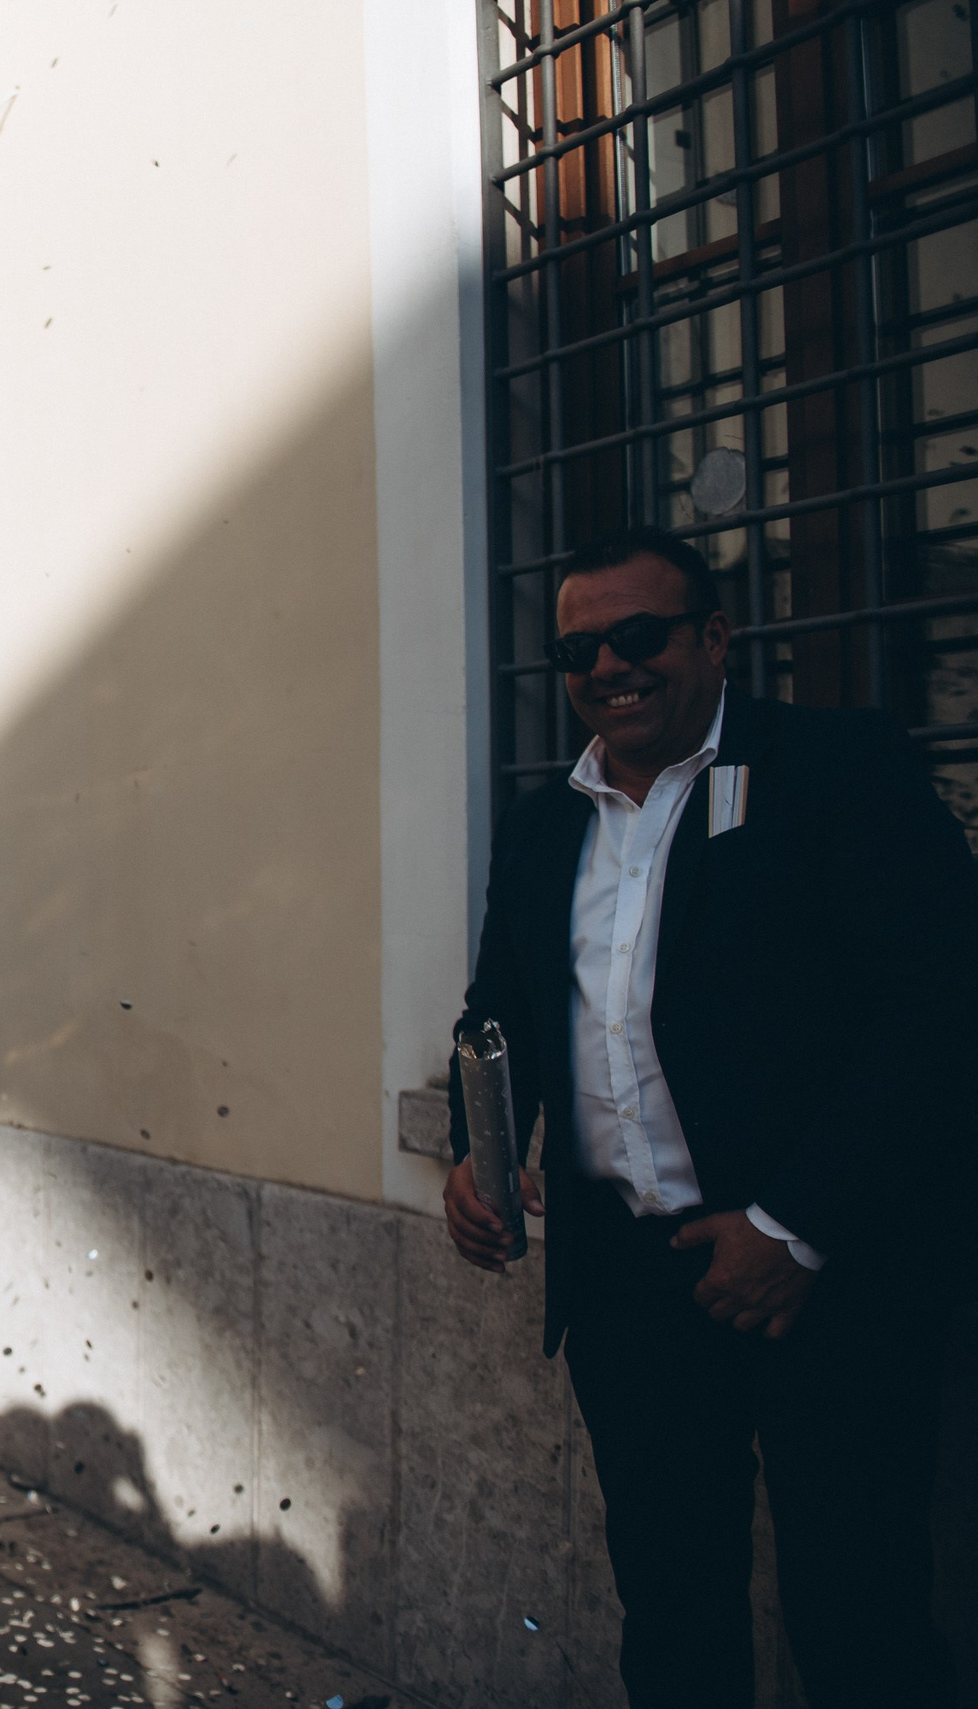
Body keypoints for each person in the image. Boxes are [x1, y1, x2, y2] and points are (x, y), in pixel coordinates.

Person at [442, 525, 975, 1708]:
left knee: (860, 1617)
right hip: (630, 1289)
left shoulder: (833, 769)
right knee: (673, 1612)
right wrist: (478, 1149)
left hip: (820, 1279)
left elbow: (937, 1011)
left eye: (639, 635)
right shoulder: (543, 825)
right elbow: (498, 1011)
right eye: (578, 649)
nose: (609, 667)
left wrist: (793, 1225)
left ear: (714, 637)